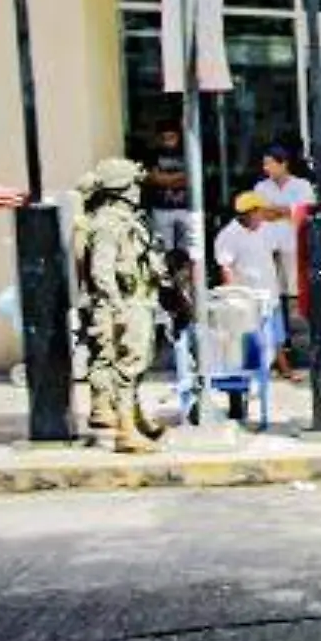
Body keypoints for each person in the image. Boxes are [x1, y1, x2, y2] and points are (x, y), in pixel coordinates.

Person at [80, 159, 167, 453]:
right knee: (127, 366)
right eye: (134, 185)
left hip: (139, 298)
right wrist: (118, 307)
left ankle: (137, 421)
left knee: (138, 362)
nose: (138, 191)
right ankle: (126, 432)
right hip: (126, 302)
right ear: (122, 189)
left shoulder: (127, 219)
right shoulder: (108, 223)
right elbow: (101, 272)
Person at [215, 190, 299, 383]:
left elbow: (280, 248)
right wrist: (234, 296)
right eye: (259, 212)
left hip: (270, 292)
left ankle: (284, 368)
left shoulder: (266, 229)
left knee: (277, 335)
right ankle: (253, 375)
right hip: (246, 297)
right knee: (249, 338)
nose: (262, 215)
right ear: (247, 213)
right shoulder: (229, 235)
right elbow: (225, 267)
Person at [251, 146, 316, 323]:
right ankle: (281, 334)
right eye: (264, 164)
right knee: (273, 290)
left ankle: (298, 332)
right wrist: (286, 210)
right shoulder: (261, 187)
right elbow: (260, 213)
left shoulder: (302, 185)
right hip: (268, 245)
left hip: (294, 244)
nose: (266, 168)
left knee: (295, 290)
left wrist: (276, 210)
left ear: (283, 164)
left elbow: (304, 211)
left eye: (269, 164)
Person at [145, 123, 192, 253]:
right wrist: (181, 177)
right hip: (161, 208)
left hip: (186, 208)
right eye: (164, 137)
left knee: (189, 250)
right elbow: (156, 179)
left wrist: (166, 179)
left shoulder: (189, 153)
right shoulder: (152, 155)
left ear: (179, 137)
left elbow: (193, 180)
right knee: (162, 250)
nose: (168, 141)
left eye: (171, 137)